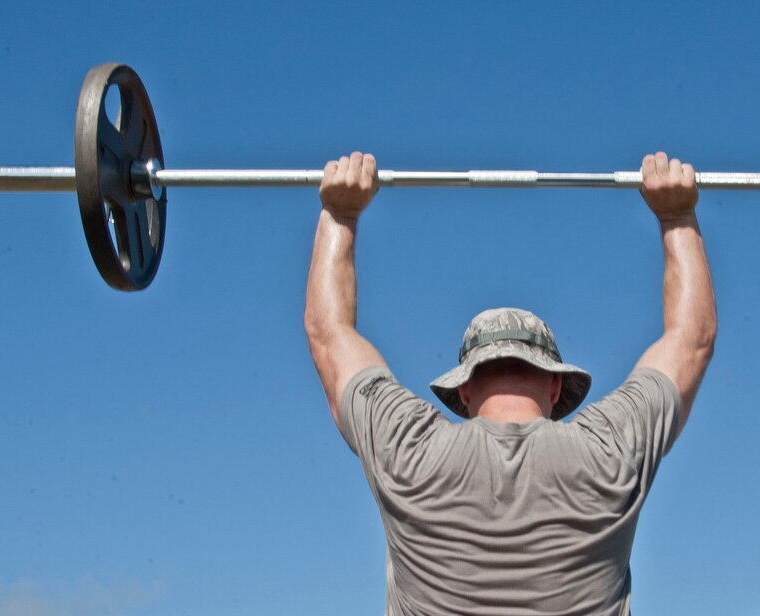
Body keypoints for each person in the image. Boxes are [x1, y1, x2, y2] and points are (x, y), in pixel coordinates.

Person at [305, 151, 716, 615]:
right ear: (556, 387)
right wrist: (676, 214)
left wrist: (340, 212)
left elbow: (329, 334)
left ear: (464, 388)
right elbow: (692, 340)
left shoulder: (407, 448)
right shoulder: (611, 450)